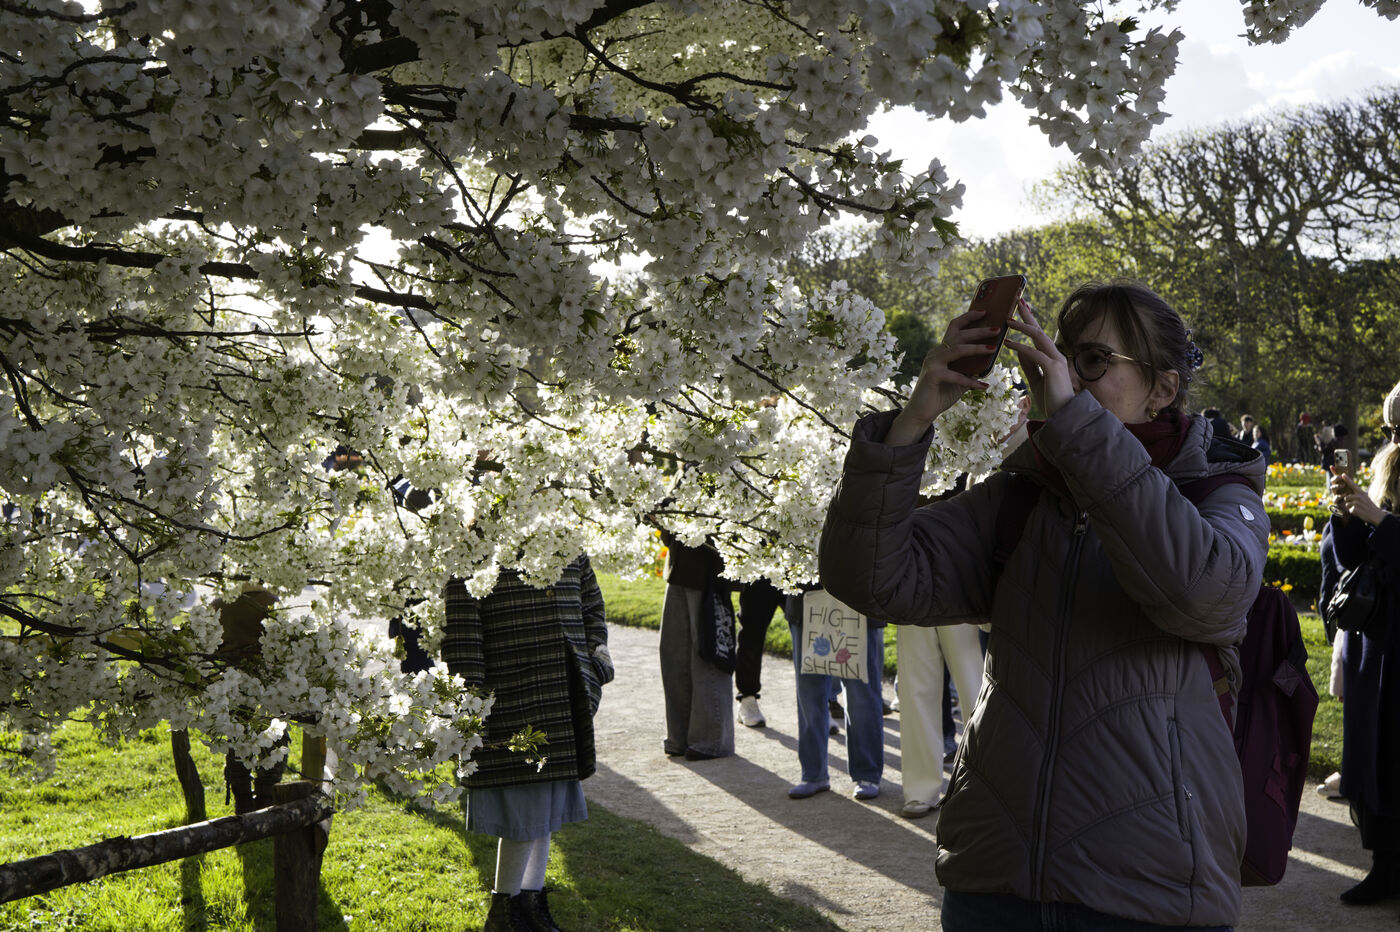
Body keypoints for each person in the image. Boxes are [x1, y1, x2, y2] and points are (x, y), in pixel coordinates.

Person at [820, 280, 1267, 930]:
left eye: (1094, 361)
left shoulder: (1218, 492)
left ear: (1163, 389)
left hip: (1149, 891)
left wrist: (1077, 430)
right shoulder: (1024, 495)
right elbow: (869, 580)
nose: (1061, 372)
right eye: (1058, 353)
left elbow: (1202, 597)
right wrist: (912, 420)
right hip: (994, 879)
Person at [443, 555, 614, 932]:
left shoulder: (565, 540)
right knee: (524, 816)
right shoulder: (473, 551)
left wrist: (596, 659)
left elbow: (591, 604)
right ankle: (503, 914)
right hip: (509, 703)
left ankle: (529, 905)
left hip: (563, 698)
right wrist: (471, 713)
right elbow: (463, 638)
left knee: (544, 813)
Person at [1319, 380, 1400, 910]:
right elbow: (1353, 560)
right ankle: (1385, 865)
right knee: (1376, 752)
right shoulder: (1387, 467)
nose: (1394, 439)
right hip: (1377, 635)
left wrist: (1379, 520)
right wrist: (1346, 515)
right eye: (1392, 428)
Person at [784, 589, 886, 801]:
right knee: (809, 696)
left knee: (862, 696)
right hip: (805, 600)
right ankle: (813, 774)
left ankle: (867, 774)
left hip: (860, 600)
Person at [658, 534, 735, 760]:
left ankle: (712, 740)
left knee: (708, 655)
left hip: (708, 575)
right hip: (678, 570)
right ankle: (679, 736)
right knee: (674, 657)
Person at [735, 578, 782, 727]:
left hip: (797, 569)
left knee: (808, 629)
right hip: (760, 573)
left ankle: (819, 705)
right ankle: (747, 698)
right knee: (752, 631)